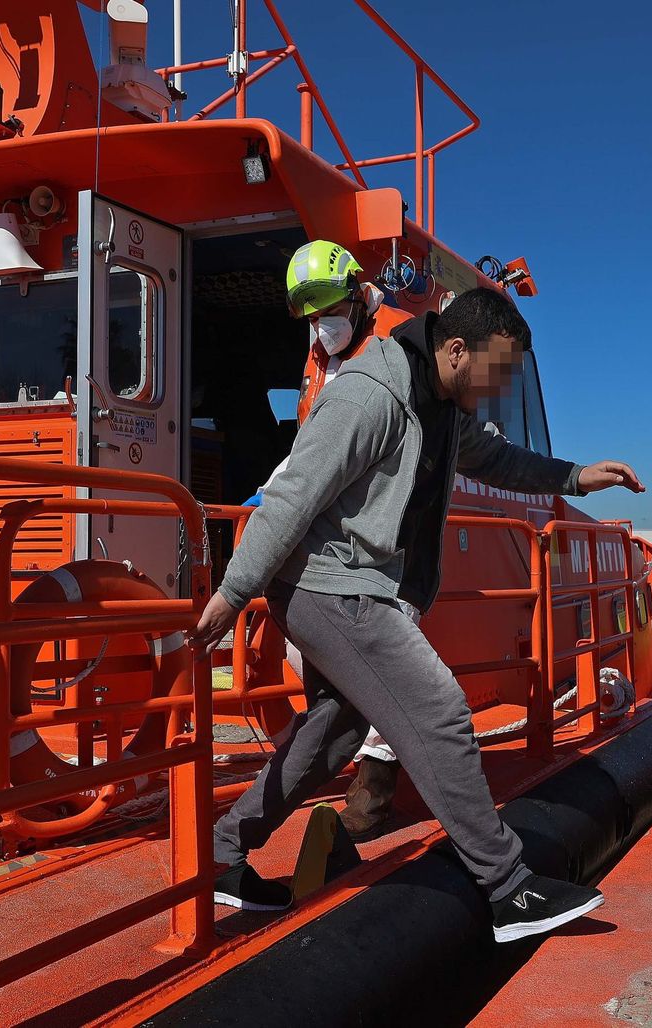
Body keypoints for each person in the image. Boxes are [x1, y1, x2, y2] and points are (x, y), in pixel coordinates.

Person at [191, 286, 645, 943]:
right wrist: (234, 593)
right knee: (438, 711)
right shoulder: (370, 395)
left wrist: (576, 477)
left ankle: (220, 855)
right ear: (456, 351)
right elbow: (292, 494)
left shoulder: (446, 405)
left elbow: (500, 460)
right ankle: (508, 889)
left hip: (352, 588)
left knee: (331, 736)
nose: (499, 389)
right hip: (331, 587)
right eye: (497, 372)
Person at [249, 240, 411, 839]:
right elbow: (311, 441)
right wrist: (271, 490)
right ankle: (327, 764)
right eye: (311, 314)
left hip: (384, 529)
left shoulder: (397, 343)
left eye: (329, 310)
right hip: (330, 533)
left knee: (384, 658)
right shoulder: (321, 351)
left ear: (357, 295)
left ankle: (374, 789)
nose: (322, 324)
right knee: (317, 657)